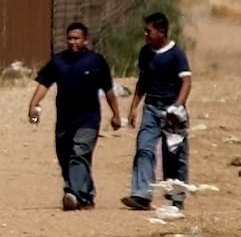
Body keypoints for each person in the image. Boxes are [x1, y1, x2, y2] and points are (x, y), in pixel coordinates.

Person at [27, 22, 122, 210]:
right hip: (64, 120)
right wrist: (33, 105)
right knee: (65, 157)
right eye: (69, 38)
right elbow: (44, 84)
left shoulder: (96, 61)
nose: (73, 42)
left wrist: (116, 115)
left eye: (77, 38)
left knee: (79, 154)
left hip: (88, 119)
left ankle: (72, 193)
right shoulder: (58, 61)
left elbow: (108, 90)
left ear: (85, 40)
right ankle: (86, 195)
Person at [121, 11, 193, 211]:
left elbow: (186, 82)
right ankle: (141, 195)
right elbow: (142, 82)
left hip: (172, 109)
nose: (145, 35)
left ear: (161, 32)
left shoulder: (176, 54)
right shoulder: (145, 53)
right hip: (151, 109)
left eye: (148, 31)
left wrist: (178, 106)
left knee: (175, 155)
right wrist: (134, 107)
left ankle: (176, 196)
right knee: (144, 149)